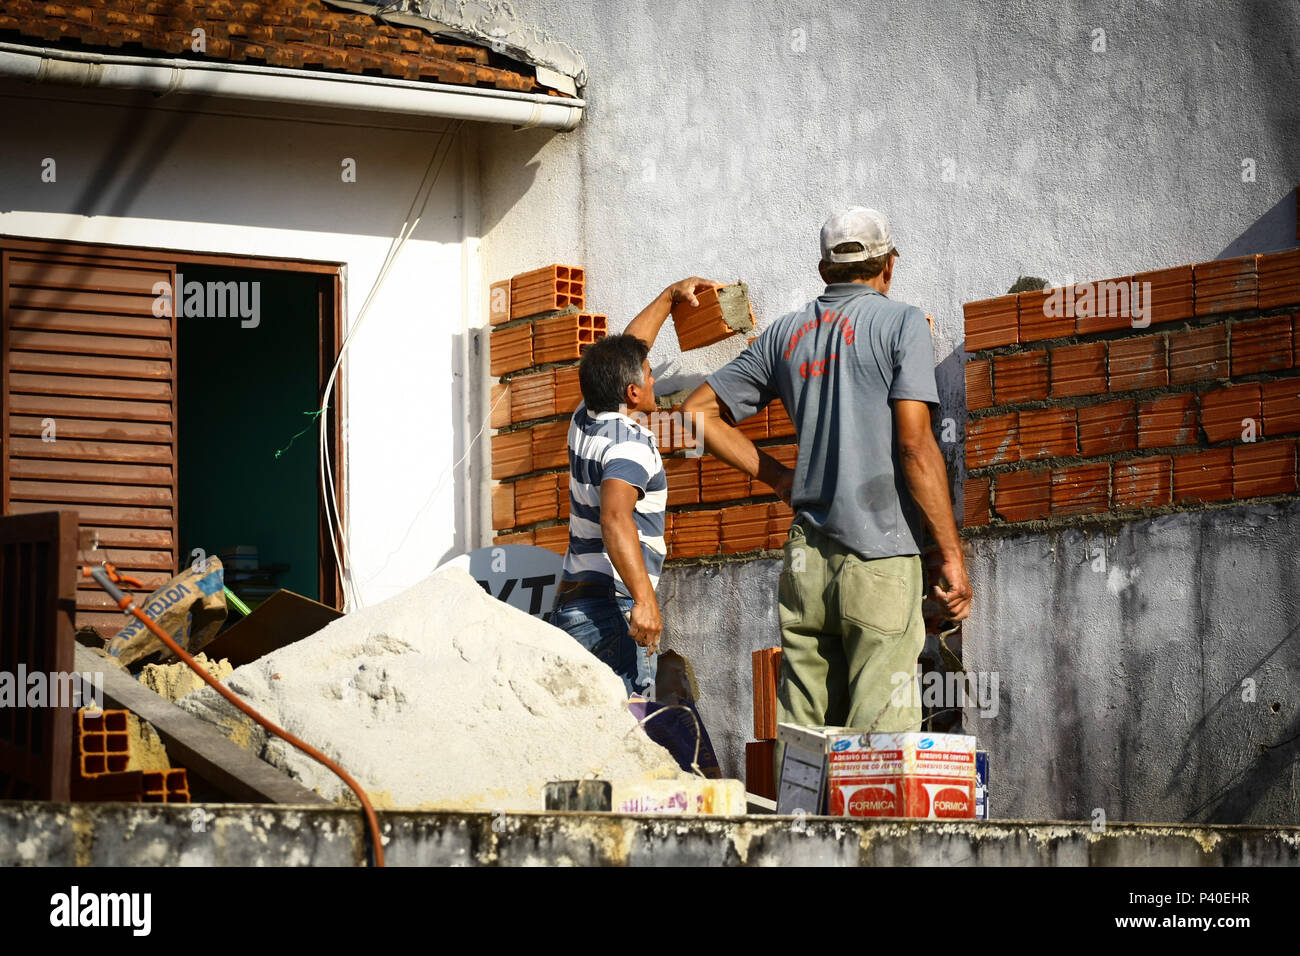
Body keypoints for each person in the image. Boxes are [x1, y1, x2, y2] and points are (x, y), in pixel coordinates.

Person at [682, 207, 972, 744]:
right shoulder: (902, 322)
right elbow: (914, 444)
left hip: (805, 561)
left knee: (804, 738)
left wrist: (779, 478)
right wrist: (950, 554)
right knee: (876, 743)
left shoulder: (784, 335)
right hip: (881, 557)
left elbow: (695, 411)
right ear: (888, 266)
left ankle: (801, 829)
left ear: (823, 272)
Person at [550, 277, 717, 698]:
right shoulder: (630, 443)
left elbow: (628, 349)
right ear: (632, 392)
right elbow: (615, 516)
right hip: (614, 610)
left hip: (573, 607)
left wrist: (668, 297)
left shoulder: (584, 419)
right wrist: (644, 600)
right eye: (647, 373)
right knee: (625, 735)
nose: (653, 376)